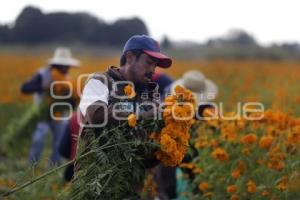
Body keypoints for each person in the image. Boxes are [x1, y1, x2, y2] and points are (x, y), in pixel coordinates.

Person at [77, 35, 172, 198]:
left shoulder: (149, 94)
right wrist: (141, 113)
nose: (152, 70)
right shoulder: (100, 81)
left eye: (155, 66)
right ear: (130, 57)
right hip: (95, 183)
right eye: (149, 63)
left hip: (130, 186)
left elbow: (145, 152)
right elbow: (97, 116)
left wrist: (165, 143)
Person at [21, 47, 80, 165]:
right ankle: (32, 166)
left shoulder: (68, 80)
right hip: (42, 115)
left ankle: (54, 166)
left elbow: (71, 103)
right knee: (38, 139)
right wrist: (43, 87)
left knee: (59, 142)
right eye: (64, 65)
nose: (66, 68)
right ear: (57, 64)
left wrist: (74, 99)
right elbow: (25, 88)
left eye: (67, 66)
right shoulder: (42, 75)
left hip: (59, 116)